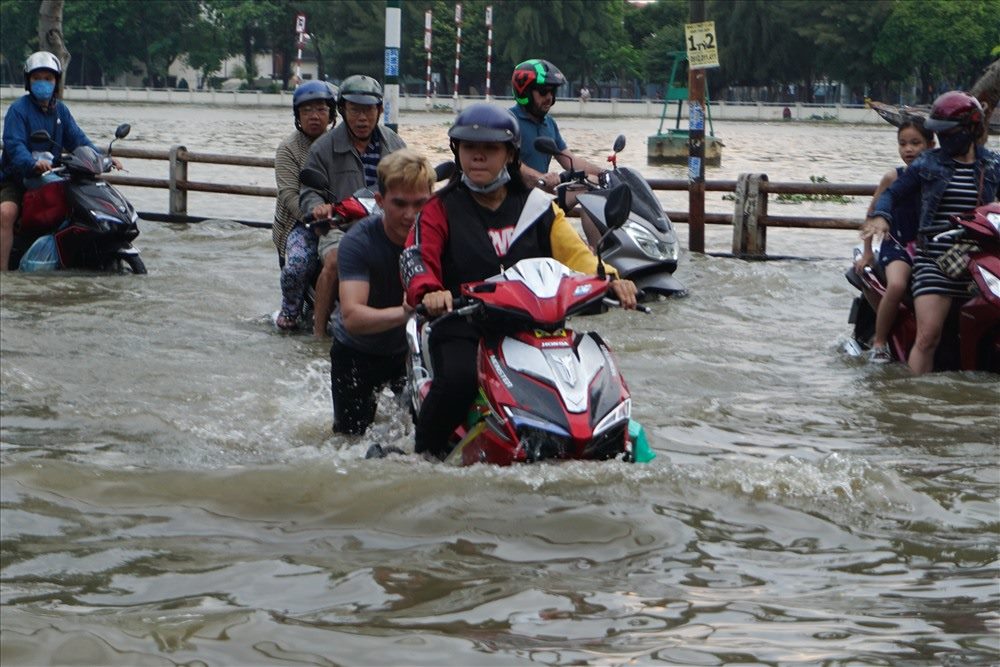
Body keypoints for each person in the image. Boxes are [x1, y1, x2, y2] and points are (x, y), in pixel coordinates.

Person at [401, 103, 638, 460]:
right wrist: (430, 291)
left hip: (537, 323)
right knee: (458, 382)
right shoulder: (440, 207)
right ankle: (421, 458)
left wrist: (614, 281)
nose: (478, 157)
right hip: (464, 324)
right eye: (468, 148)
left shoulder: (538, 205)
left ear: (510, 154)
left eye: (490, 149)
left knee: (597, 371)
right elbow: (417, 256)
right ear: (457, 151)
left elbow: (577, 255)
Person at [864, 91, 1000, 374]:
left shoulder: (993, 165)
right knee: (928, 337)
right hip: (935, 261)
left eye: (949, 133)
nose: (945, 140)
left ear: (971, 129)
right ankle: (918, 401)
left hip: (982, 260)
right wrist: (881, 216)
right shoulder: (928, 164)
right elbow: (893, 195)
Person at [330, 149, 434, 434]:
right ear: (380, 201)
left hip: (410, 354)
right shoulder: (358, 242)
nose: (409, 215)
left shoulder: (441, 237)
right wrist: (406, 312)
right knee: (349, 440)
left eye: (420, 204)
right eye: (399, 203)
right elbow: (352, 316)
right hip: (356, 353)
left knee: (422, 437)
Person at [299, 74, 406, 338]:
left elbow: (410, 181)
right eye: (355, 109)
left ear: (379, 110)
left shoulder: (394, 144)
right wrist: (319, 207)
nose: (362, 118)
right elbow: (309, 191)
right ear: (343, 110)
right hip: (340, 225)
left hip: (385, 223)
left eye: (368, 110)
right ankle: (318, 334)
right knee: (335, 261)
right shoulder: (324, 147)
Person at [0, 51, 119, 272]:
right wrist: (31, 164)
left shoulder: (61, 111)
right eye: (37, 78)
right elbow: (14, 145)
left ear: (56, 82)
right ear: (28, 82)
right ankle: (4, 272)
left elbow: (78, 139)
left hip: (53, 178)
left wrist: (103, 158)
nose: (43, 83)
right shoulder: (18, 110)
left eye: (48, 78)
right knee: (6, 213)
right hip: (17, 178)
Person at [854, 120, 935, 362]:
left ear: (932, 144)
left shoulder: (938, 175)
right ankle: (880, 342)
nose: (908, 150)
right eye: (903, 144)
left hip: (930, 246)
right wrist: (868, 252)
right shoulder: (894, 177)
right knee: (897, 285)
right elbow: (872, 213)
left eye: (915, 143)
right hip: (898, 246)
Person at [509, 59, 606, 246]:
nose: (549, 98)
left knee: (592, 185)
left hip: (543, 197)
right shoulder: (509, 122)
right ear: (525, 91)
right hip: (517, 202)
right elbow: (511, 163)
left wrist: (605, 173)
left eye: (552, 92)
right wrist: (542, 178)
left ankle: (597, 254)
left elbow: (570, 160)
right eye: (543, 91)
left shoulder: (549, 124)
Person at [273, 81, 336, 330]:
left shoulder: (342, 143)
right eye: (307, 110)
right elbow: (289, 194)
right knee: (297, 264)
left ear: (332, 113)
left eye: (321, 109)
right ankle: (290, 308)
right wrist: (316, 216)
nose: (314, 116)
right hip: (300, 222)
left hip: (343, 218)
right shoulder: (289, 149)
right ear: (297, 116)